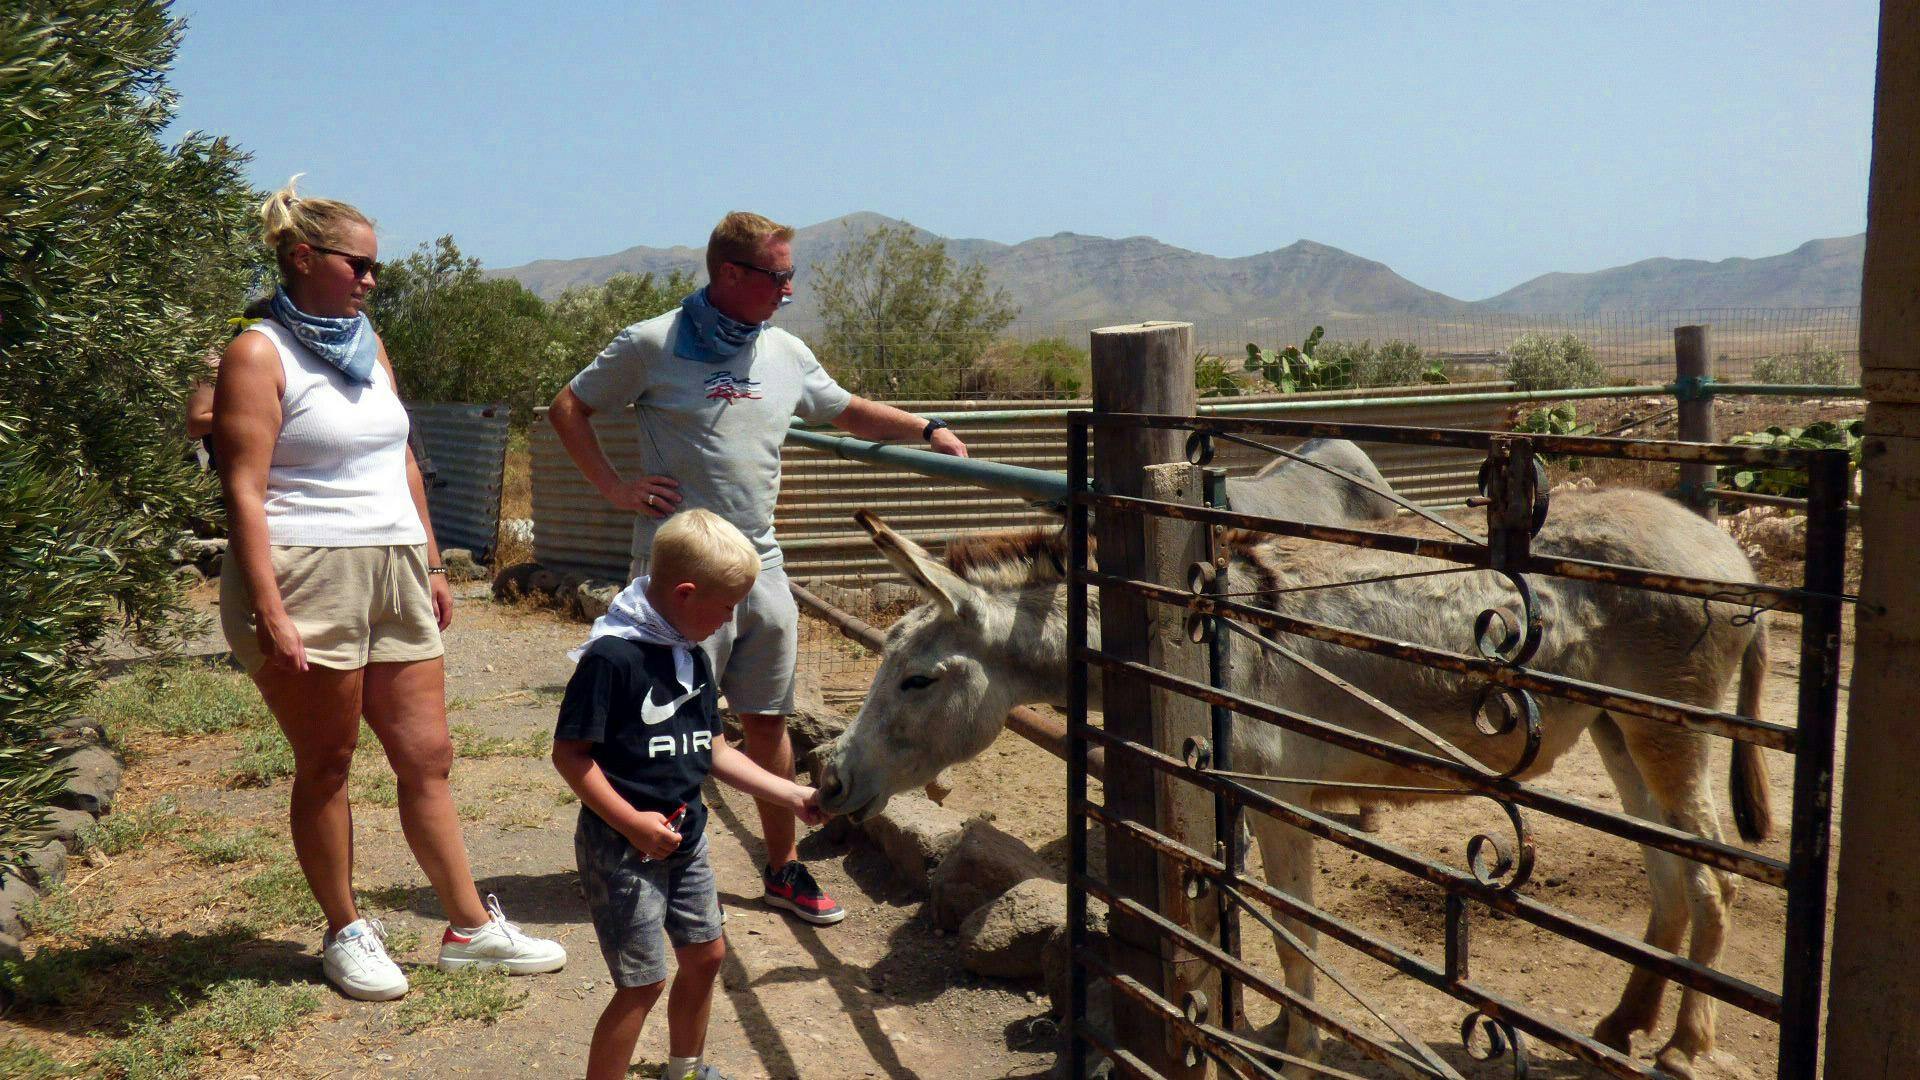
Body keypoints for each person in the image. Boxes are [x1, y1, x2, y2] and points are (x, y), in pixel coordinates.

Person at [548, 211, 967, 927]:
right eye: (779, 276)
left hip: (762, 565)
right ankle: (647, 855)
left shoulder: (784, 352)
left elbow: (846, 412)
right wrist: (616, 489)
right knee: (664, 721)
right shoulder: (652, 343)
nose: (790, 291)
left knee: (767, 720)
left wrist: (924, 429)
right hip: (679, 568)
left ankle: (782, 867)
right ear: (731, 274)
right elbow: (568, 408)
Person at [213, 177, 566, 1001]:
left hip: (396, 564)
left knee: (427, 755)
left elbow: (401, 458)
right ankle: (345, 928)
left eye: (376, 268)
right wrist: (269, 607)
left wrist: (435, 562)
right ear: (303, 258)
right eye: (359, 265)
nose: (372, 281)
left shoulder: (368, 342)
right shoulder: (258, 351)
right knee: (328, 762)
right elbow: (243, 489)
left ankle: (470, 926)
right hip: (307, 569)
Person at [554, 509, 825, 1080]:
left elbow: (716, 752)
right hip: (622, 848)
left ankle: (686, 1069)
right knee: (642, 982)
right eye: (727, 607)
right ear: (684, 593)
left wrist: (792, 795)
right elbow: (571, 756)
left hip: (686, 839)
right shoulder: (612, 658)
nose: (732, 619)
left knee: (707, 955)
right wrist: (630, 822)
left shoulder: (692, 656)